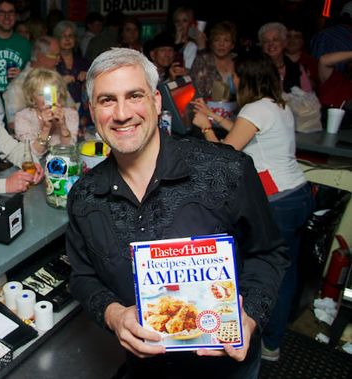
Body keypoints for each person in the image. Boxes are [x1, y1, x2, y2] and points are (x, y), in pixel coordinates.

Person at [66, 48, 288, 379]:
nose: (122, 113)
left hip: (226, 366)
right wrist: (114, 315)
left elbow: (269, 253)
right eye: (107, 100)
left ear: (156, 102)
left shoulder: (226, 170)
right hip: (145, 368)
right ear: (93, 111)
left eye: (134, 95)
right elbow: (82, 278)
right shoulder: (85, 197)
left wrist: (250, 315)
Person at [193, 52, 314, 362]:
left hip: (280, 203)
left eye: (236, 76)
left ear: (246, 78)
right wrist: (216, 116)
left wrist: (205, 127)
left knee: (273, 273)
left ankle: (268, 345)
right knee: (289, 269)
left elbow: (226, 155)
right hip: (298, 194)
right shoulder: (276, 104)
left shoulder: (256, 108)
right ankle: (275, 336)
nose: (232, 80)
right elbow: (246, 131)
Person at [3, 36, 66, 130]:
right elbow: (13, 126)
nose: (59, 59)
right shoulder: (17, 86)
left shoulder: (55, 79)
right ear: (40, 57)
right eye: (56, 55)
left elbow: (71, 108)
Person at [14, 68, 78, 157]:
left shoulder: (70, 114)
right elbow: (32, 155)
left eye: (54, 93)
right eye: (41, 94)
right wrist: (46, 128)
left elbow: (69, 151)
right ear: (31, 97)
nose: (49, 99)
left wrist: (63, 125)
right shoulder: (23, 117)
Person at [0, 0, 31, 93]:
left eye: (11, 12)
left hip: (17, 102)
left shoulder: (25, 44)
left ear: (16, 17)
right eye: (2, 12)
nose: (7, 17)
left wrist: (22, 76)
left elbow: (33, 76)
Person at [258, 22, 312, 93]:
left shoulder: (297, 69)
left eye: (275, 39)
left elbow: (309, 98)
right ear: (262, 46)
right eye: (266, 41)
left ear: (284, 43)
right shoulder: (256, 69)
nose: (270, 44)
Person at [190, 21, 237, 100]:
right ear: (211, 44)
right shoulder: (202, 60)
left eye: (226, 40)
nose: (221, 44)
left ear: (232, 45)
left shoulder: (239, 62)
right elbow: (196, 91)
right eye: (217, 40)